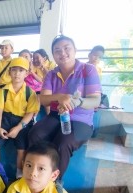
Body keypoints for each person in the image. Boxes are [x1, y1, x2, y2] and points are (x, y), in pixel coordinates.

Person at [28, 35, 101, 179]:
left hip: (81, 120)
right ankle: (34, 174)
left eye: (67, 48)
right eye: (57, 50)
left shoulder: (88, 70)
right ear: (53, 55)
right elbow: (43, 99)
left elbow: (95, 101)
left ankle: (54, 182)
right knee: (34, 134)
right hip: (56, 115)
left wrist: (77, 102)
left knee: (63, 142)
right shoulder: (51, 74)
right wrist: (59, 97)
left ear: (75, 50)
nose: (63, 53)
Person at [0, 57, 40, 178]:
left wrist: (18, 128)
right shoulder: (3, 91)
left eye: (21, 70)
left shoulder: (30, 92)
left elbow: (30, 113)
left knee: (22, 149)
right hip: (4, 119)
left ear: (26, 73)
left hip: (22, 122)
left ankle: (19, 175)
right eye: (14, 70)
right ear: (9, 72)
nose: (17, 73)